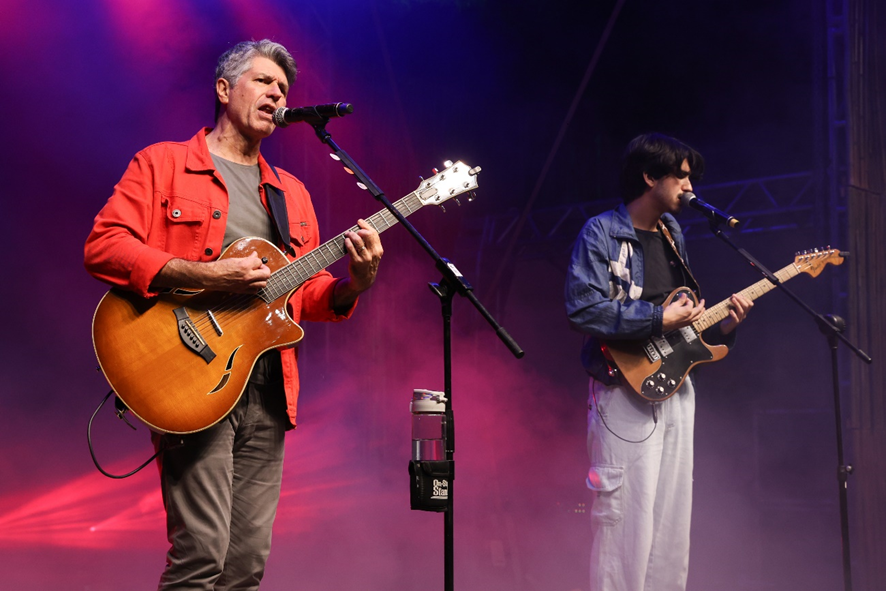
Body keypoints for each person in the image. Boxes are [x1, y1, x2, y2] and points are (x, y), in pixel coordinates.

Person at [84, 39, 383, 590]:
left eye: (284, 89)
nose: (278, 93)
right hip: (188, 373)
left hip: (267, 384)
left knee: (245, 566)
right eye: (264, 82)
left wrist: (352, 286)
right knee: (201, 556)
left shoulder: (291, 193)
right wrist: (203, 275)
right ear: (224, 90)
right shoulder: (162, 164)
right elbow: (103, 246)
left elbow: (305, 295)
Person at [564, 133, 752, 590]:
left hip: (675, 391)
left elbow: (678, 328)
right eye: (681, 175)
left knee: (671, 524)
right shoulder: (601, 232)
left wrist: (721, 326)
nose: (690, 186)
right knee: (625, 523)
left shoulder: (674, 234)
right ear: (650, 177)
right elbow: (582, 309)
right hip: (621, 389)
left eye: (691, 178)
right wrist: (657, 317)